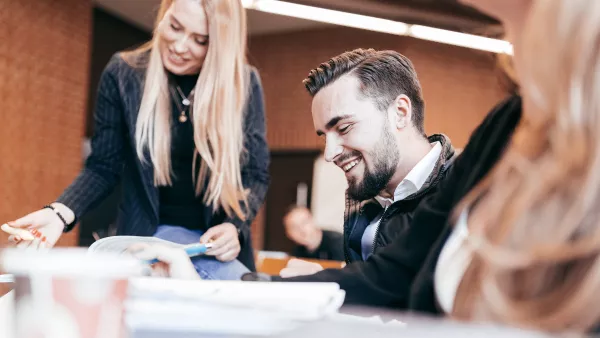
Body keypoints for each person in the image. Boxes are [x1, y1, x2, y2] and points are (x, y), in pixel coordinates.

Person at [3, 0, 269, 279]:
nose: (179, 46)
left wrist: (234, 226)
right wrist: (60, 213)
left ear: (220, 46)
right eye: (175, 26)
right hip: (146, 240)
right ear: (163, 15)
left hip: (214, 249)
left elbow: (255, 175)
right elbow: (103, 167)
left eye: (200, 40)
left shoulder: (244, 84)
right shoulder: (124, 74)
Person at [278, 49, 455, 278]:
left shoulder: (465, 195)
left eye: (344, 128)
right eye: (324, 137)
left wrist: (329, 284)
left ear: (400, 113)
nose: (330, 154)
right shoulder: (369, 204)